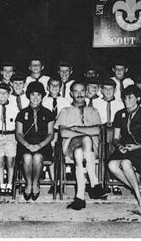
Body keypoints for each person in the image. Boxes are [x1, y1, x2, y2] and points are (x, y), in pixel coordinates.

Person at [54, 81, 107, 210]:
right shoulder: (65, 111)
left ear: (86, 92)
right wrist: (84, 131)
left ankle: (80, 197)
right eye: (76, 91)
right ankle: (94, 182)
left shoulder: (93, 111)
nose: (79, 94)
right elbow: (63, 132)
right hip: (69, 146)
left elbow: (98, 131)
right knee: (86, 139)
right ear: (71, 93)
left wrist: (76, 128)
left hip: (89, 149)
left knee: (80, 151)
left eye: (82, 91)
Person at [108, 85, 141, 207]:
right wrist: (119, 146)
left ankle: (139, 197)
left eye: (130, 98)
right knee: (111, 165)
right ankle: (138, 188)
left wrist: (136, 147)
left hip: (138, 149)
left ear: (138, 98)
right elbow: (116, 138)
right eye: (125, 98)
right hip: (124, 149)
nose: (126, 100)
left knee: (125, 163)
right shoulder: (119, 114)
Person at [15, 82, 55, 201]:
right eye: (33, 95)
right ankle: (28, 183)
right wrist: (27, 145)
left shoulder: (48, 113)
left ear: (42, 96)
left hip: (43, 146)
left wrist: (40, 145)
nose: (36, 98)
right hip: (25, 145)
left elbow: (50, 134)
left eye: (38, 95)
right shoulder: (22, 113)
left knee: (37, 157)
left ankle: (36, 183)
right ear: (28, 96)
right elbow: (18, 133)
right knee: (27, 157)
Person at [92, 79, 125, 195]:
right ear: (101, 90)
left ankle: (115, 181)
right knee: (103, 154)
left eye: (110, 89)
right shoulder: (96, 103)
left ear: (115, 90)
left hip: (116, 132)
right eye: (105, 89)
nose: (108, 91)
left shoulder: (120, 104)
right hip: (101, 132)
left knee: (114, 152)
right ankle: (103, 181)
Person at [0, 83, 20, 196]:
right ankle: (2, 186)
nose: (2, 95)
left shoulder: (13, 108)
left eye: (5, 93)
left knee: (10, 162)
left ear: (9, 94)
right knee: (0, 162)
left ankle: (10, 185)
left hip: (11, 137)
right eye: (0, 93)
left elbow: (17, 124)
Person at [42, 76, 70, 193]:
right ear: (48, 87)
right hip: (48, 133)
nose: (54, 88)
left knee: (61, 156)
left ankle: (61, 182)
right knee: (52, 155)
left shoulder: (65, 102)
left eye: (57, 85)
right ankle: (54, 183)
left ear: (60, 87)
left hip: (62, 132)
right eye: (52, 85)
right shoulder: (43, 101)